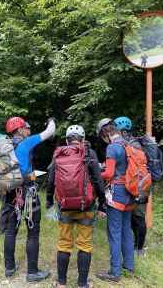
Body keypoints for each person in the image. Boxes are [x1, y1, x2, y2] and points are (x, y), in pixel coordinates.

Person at [46, 125, 106, 288]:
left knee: (64, 243)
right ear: (83, 138)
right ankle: (82, 284)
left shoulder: (59, 154)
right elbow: (98, 181)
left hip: (64, 206)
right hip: (85, 207)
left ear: (67, 139)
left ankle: (61, 283)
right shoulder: (89, 153)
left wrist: (49, 202)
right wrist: (102, 203)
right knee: (84, 244)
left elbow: (51, 180)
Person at [0, 116, 55, 282]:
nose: (28, 130)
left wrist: (37, 174)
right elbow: (50, 131)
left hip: (11, 191)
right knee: (33, 231)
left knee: (11, 231)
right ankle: (32, 272)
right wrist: (51, 120)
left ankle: (9, 269)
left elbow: (22, 174)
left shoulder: (6, 146)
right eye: (26, 127)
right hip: (27, 192)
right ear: (20, 129)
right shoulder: (27, 142)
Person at [95, 118, 135, 283]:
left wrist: (96, 172)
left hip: (117, 192)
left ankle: (114, 272)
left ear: (105, 133)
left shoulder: (112, 147)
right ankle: (129, 266)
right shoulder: (127, 144)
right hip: (130, 191)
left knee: (114, 232)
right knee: (126, 229)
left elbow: (109, 174)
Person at [114, 116, 147, 256]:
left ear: (120, 130)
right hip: (140, 184)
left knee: (137, 217)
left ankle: (139, 248)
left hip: (136, 185)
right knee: (136, 217)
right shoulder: (136, 143)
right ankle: (136, 247)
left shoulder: (130, 145)